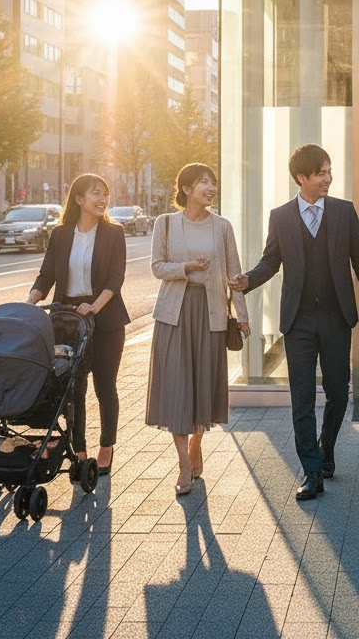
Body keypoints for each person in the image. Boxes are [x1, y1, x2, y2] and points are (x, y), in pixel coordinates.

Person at [230, 144, 359, 502]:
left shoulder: (343, 212)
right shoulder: (281, 216)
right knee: (301, 397)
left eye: (330, 171)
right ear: (302, 177)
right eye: (321, 173)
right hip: (298, 321)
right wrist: (248, 280)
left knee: (338, 391)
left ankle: (326, 447)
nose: (328, 178)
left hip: (336, 318)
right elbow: (271, 261)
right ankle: (311, 471)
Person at [147, 163, 250, 497]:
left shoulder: (222, 227)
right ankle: (183, 463)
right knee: (176, 385)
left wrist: (242, 315)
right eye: (204, 182)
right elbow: (157, 267)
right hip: (173, 314)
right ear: (186, 189)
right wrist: (186, 267)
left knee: (203, 385)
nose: (211, 187)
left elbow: (234, 274)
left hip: (210, 313)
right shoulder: (165, 223)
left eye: (213, 182)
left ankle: (196, 443)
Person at [27, 173, 128, 475]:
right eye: (96, 193)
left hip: (105, 318)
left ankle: (106, 446)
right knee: (73, 389)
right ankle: (79, 449)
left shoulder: (113, 232)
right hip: (68, 320)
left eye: (105, 193)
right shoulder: (60, 234)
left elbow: (116, 277)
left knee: (105, 386)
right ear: (79, 199)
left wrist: (95, 305)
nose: (102, 199)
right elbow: (46, 274)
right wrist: (29, 304)